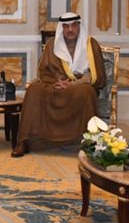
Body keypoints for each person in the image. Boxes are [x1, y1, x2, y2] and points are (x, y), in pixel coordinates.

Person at [12, 12, 106, 157]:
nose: (70, 30)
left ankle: (91, 142)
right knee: (34, 90)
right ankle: (24, 141)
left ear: (79, 26)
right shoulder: (52, 45)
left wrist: (75, 83)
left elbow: (98, 75)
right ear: (61, 28)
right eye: (66, 26)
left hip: (80, 86)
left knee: (86, 92)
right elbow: (43, 72)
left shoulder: (91, 45)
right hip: (55, 84)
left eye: (73, 26)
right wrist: (57, 82)